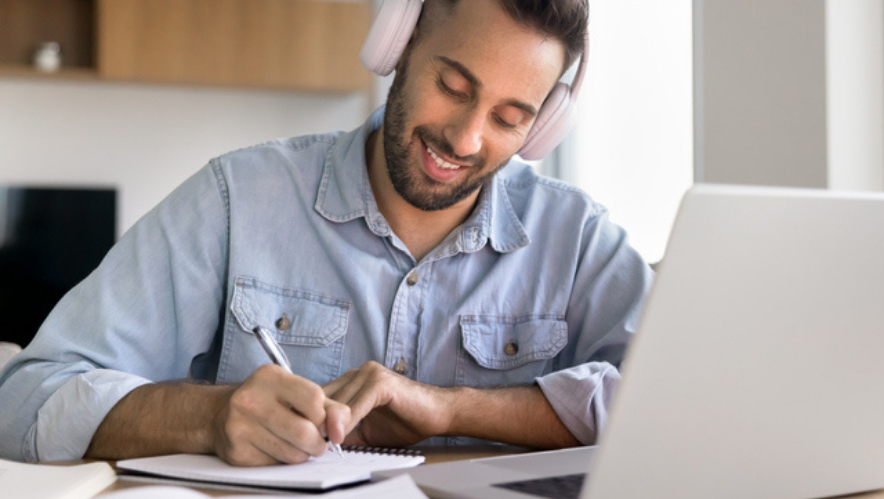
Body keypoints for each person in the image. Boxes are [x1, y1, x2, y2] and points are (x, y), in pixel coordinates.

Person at [0, 0, 652, 466]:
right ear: (398, 45)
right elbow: (25, 397)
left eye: (510, 119)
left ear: (542, 129)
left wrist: (451, 409)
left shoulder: (580, 242)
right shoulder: (237, 199)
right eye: (452, 85)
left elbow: (679, 411)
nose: (465, 138)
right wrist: (210, 416)